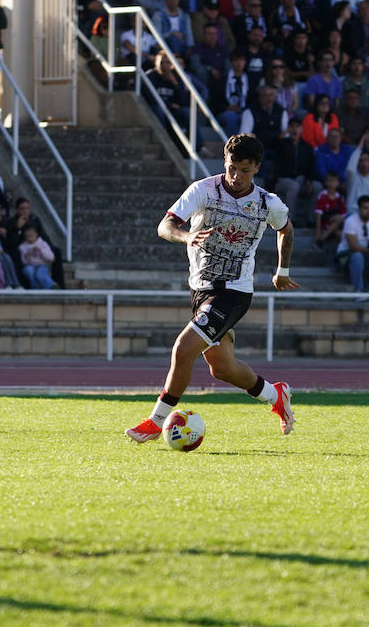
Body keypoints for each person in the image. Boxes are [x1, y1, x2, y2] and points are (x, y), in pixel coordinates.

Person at [125, 134, 297, 443]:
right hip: (201, 290)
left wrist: (282, 271)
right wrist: (185, 236)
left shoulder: (266, 203)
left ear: (256, 168)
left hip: (235, 292)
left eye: (244, 170)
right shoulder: (203, 190)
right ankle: (276, 395)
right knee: (222, 368)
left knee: (183, 348)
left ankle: (156, 421)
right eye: (232, 167)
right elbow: (164, 225)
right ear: (225, 163)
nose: (236, 176)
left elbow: (286, 229)